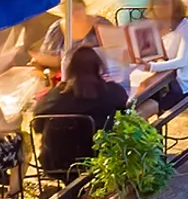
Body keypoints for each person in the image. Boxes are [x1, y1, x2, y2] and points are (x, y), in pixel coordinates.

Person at [28, 43, 125, 188]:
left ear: (70, 69)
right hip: (97, 158)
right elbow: (124, 115)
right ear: (98, 67)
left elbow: (38, 125)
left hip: (55, 163)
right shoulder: (111, 93)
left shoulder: (54, 97)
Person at [126, 0, 188, 110]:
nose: (161, 8)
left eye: (165, 3)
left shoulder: (186, 26)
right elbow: (144, 59)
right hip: (151, 79)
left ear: (175, 5)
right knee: (128, 100)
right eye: (157, 4)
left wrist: (152, 66)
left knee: (139, 110)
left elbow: (182, 61)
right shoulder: (148, 28)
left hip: (177, 82)